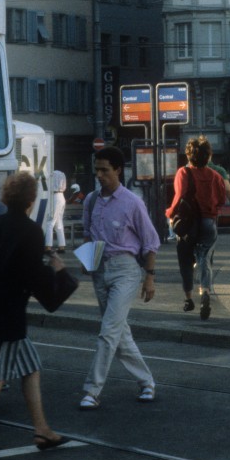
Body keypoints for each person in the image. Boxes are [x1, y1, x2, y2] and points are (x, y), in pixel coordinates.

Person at [0, 172, 70, 458]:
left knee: (30, 367)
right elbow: (34, 278)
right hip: (7, 318)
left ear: (7, 197)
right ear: (31, 201)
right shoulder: (31, 232)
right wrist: (60, 273)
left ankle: (42, 429)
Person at [78, 146, 160, 410]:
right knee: (119, 333)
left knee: (108, 332)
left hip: (126, 271)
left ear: (118, 170)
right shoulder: (91, 200)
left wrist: (149, 277)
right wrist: (87, 259)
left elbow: (151, 242)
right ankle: (146, 382)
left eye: (105, 170)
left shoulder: (132, 202)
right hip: (99, 270)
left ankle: (92, 390)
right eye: (97, 170)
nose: (100, 175)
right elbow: (88, 233)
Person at [166, 137, 229, 320]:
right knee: (204, 259)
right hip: (209, 223)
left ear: (188, 154)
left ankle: (188, 299)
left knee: (185, 260)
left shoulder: (184, 173)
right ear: (208, 155)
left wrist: (170, 214)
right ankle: (206, 292)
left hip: (188, 224)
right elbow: (221, 199)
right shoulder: (215, 175)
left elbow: (179, 197)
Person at [42, 169, 67, 254]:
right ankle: (61, 246)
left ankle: (48, 246)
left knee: (50, 222)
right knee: (59, 223)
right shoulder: (62, 174)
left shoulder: (51, 174)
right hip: (62, 196)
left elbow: (46, 185)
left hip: (54, 196)